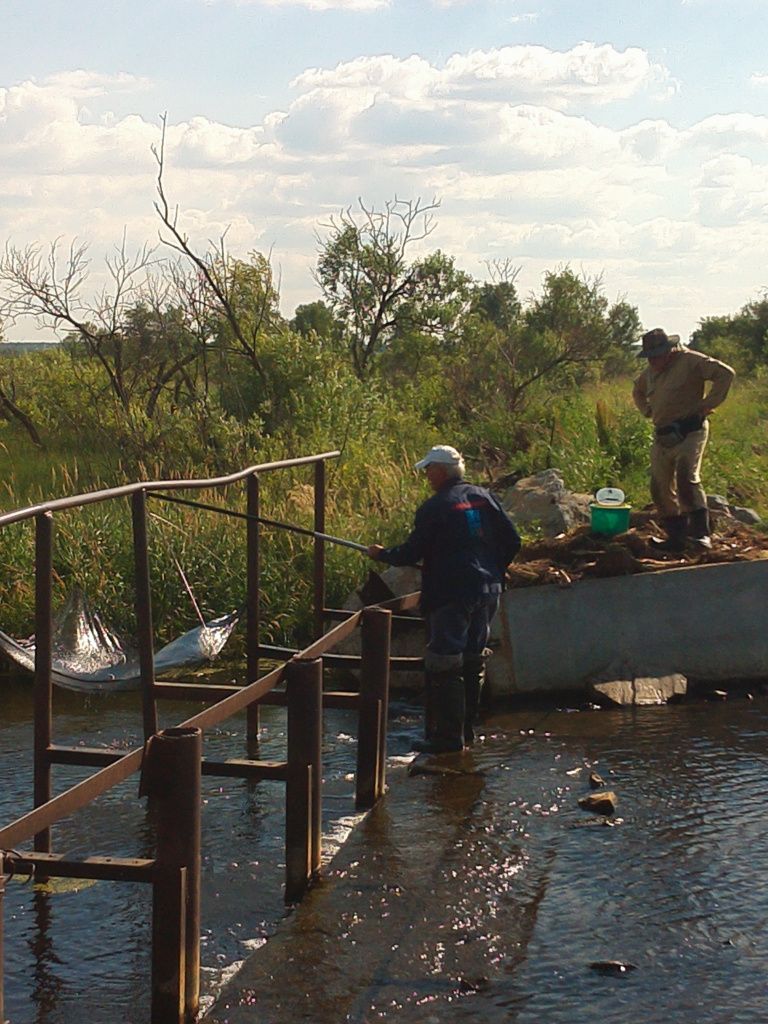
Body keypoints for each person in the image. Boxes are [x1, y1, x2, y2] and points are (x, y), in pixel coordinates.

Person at [367, 444, 521, 754]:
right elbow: (513, 540)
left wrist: (382, 554)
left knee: (445, 661)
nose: (426, 476)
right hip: (488, 591)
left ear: (440, 471)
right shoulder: (485, 497)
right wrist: (494, 570)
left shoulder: (434, 507)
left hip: (451, 593)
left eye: (428, 470)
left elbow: (411, 552)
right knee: (473, 657)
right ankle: (465, 732)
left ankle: (447, 739)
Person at [632, 328, 735, 552]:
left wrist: (708, 404)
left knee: (686, 477)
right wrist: (646, 410)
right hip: (663, 435)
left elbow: (725, 374)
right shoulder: (649, 372)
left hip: (690, 431)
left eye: (656, 354)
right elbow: (637, 390)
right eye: (649, 356)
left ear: (669, 350)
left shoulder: (690, 361)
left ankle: (700, 534)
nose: (653, 360)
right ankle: (676, 537)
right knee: (659, 487)